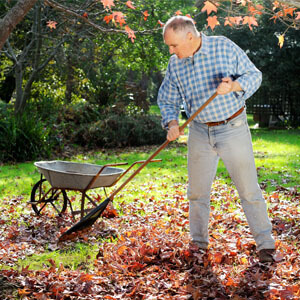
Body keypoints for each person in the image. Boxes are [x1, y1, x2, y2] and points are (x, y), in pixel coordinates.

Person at [157, 16, 276, 263]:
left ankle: (266, 245)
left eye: (174, 45)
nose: (171, 50)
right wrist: (171, 123)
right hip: (199, 131)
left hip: (232, 127)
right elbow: (168, 99)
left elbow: (254, 75)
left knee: (248, 190)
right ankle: (198, 245)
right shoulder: (174, 64)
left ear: (190, 36)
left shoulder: (223, 46)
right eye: (169, 46)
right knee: (197, 192)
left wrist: (234, 86)